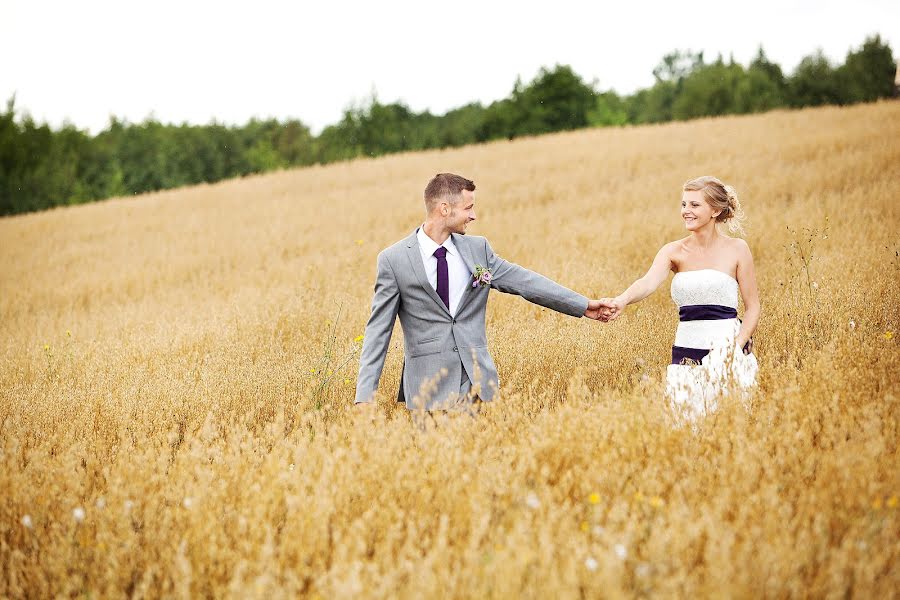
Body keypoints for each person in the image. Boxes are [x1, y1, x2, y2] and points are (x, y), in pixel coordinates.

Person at [355, 173, 611, 411]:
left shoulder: (478, 250)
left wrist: (582, 305)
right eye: (468, 208)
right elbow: (379, 331)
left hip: (477, 384)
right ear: (444, 208)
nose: (473, 215)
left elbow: (526, 282)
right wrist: (365, 395)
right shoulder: (393, 260)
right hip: (426, 391)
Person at [600, 176, 761, 419]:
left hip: (728, 352)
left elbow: (753, 307)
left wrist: (734, 351)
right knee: (685, 427)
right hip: (686, 353)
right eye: (684, 204)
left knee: (730, 429)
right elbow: (647, 282)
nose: (686, 211)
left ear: (715, 210)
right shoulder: (673, 251)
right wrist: (622, 300)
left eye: (695, 205)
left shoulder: (738, 249)